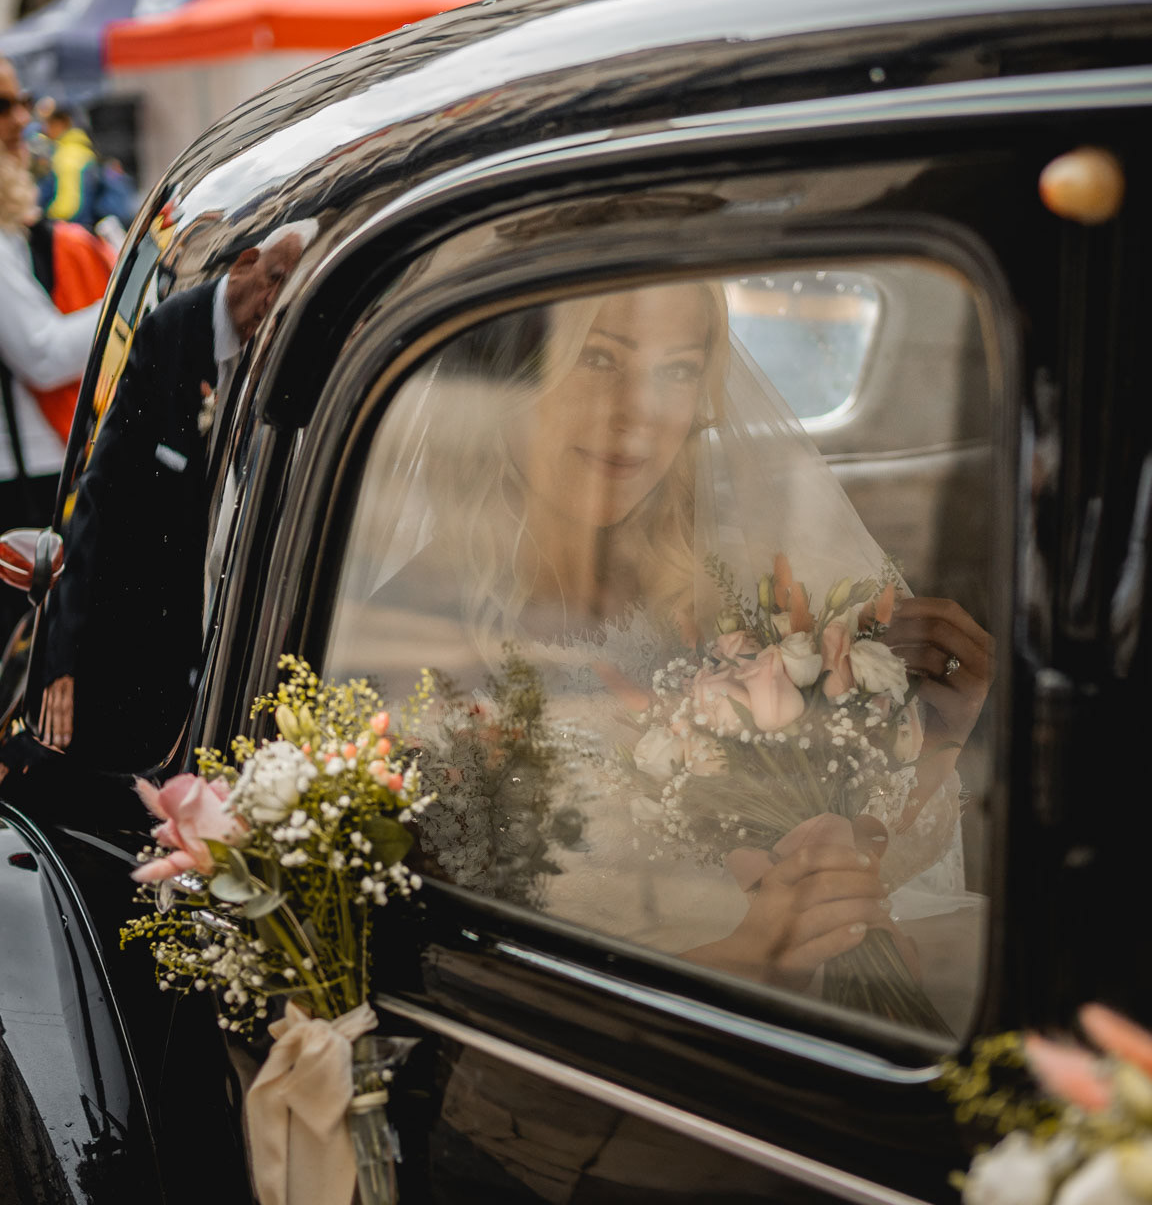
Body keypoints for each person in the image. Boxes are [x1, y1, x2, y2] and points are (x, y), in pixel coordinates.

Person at [332, 276, 993, 1015]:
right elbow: (444, 986)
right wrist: (745, 962)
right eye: (598, 359)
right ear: (498, 382)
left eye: (678, 370)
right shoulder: (402, 650)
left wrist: (937, 738)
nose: (640, 413)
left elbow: (859, 853)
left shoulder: (741, 594)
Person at [38, 218, 318, 765]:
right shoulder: (169, 331)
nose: (273, 303)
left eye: (290, 293)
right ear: (246, 262)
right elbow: (99, 495)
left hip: (221, 635)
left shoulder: (281, 344)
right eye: (273, 279)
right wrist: (62, 656)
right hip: (134, 636)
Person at [0, 59, 99, 639]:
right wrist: (128, 307)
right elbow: (39, 354)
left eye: (21, 101)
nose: (21, 119)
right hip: (20, 484)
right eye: (3, 107)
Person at [36, 102, 101, 230]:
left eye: (48, 124)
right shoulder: (81, 148)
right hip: (85, 227)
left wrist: (49, 219)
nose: (45, 130)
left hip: (72, 228)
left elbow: (68, 203)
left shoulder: (68, 154)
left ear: (60, 124)